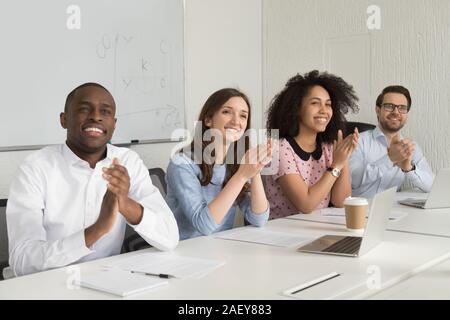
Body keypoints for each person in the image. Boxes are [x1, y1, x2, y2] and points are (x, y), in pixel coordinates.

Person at [6, 83, 179, 276]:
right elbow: (22, 261)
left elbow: (169, 238)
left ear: (114, 124)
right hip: (48, 282)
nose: (96, 116)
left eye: (105, 111)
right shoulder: (35, 168)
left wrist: (124, 203)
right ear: (64, 120)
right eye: (84, 109)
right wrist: (98, 229)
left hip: (108, 278)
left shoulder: (127, 162)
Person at [166, 88, 271, 240]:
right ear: (208, 120)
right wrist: (242, 176)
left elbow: (259, 219)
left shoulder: (236, 164)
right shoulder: (182, 164)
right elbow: (204, 225)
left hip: (219, 247)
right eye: (227, 112)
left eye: (243, 116)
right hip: (184, 249)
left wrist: (255, 169)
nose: (236, 121)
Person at [265, 70, 359, 219]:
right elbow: (306, 204)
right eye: (315, 103)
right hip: (283, 234)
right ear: (296, 108)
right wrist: (336, 165)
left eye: (328, 105)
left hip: (318, 229)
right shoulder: (280, 149)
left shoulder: (328, 147)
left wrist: (343, 158)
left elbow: (341, 201)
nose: (324, 111)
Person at [349, 85, 433, 198]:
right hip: (357, 210)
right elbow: (352, 180)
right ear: (378, 110)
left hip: (391, 211)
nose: (396, 112)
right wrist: (390, 159)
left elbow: (431, 185)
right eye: (389, 106)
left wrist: (409, 169)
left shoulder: (411, 147)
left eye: (402, 108)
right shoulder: (358, 141)